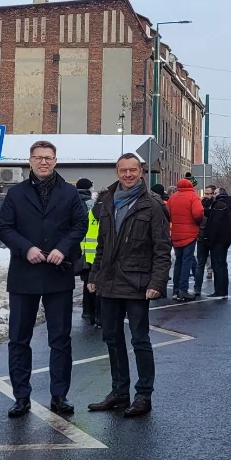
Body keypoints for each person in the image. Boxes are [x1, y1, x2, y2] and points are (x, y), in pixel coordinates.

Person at [0, 140, 88, 418]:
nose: (43, 162)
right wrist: (26, 248)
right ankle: (21, 397)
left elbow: (80, 224)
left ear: (55, 160)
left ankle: (59, 395)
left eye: (48, 158)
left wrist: (63, 248)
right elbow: (4, 227)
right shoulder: (16, 193)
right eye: (38, 158)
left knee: (60, 339)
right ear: (30, 161)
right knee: (18, 339)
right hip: (24, 274)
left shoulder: (69, 193)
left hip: (57, 273)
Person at [85, 153, 171, 417]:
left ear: (141, 171)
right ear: (117, 172)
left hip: (137, 283)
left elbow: (162, 248)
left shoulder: (152, 205)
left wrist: (157, 282)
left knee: (140, 340)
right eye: (123, 170)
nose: (128, 175)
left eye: (133, 170)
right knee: (111, 338)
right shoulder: (107, 201)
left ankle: (143, 395)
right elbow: (102, 245)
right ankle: (119, 392)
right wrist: (94, 275)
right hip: (109, 282)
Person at [166, 177, 203, 300]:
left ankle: (176, 290)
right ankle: (183, 289)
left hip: (176, 233)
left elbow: (168, 214)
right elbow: (198, 213)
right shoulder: (193, 196)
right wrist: (197, 223)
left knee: (178, 262)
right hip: (190, 233)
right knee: (187, 261)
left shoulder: (173, 197)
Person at [77, 178, 101, 328]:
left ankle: (87, 311)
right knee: (95, 283)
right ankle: (95, 313)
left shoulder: (72, 203)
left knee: (87, 281)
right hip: (95, 252)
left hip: (82, 250)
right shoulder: (91, 205)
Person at [203, 187, 231, 298]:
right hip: (225, 239)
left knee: (218, 265)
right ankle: (223, 291)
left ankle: (219, 291)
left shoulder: (219, 205)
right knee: (222, 265)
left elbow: (215, 223)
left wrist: (209, 239)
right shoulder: (226, 203)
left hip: (218, 240)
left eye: (215, 193)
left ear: (220, 194)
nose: (213, 195)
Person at [192, 184, 216, 296]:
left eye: (209, 193)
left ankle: (218, 289)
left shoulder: (216, 205)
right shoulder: (200, 204)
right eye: (206, 193)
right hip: (201, 236)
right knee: (200, 263)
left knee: (216, 262)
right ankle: (197, 288)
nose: (207, 196)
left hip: (213, 237)